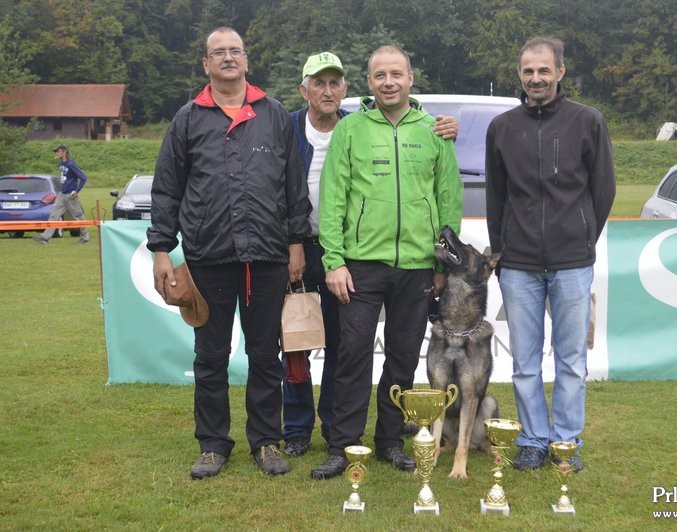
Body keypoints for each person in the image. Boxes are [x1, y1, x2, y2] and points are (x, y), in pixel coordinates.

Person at [146, 26, 311, 480]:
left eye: (234, 51)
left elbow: (293, 186)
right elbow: (167, 190)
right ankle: (213, 444)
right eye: (217, 53)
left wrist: (296, 242)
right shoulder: (187, 119)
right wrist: (162, 249)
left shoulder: (274, 114)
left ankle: (266, 441)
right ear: (205, 64)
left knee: (264, 355)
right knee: (210, 356)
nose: (227, 58)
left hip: (269, 259)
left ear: (246, 59)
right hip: (208, 259)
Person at [282, 51, 459, 457]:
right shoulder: (352, 129)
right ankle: (342, 445)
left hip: (417, 267)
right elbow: (333, 199)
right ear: (368, 81)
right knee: (352, 356)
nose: (389, 81)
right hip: (361, 265)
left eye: (396, 74)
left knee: (401, 360)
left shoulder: (435, 130)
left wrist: (441, 262)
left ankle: (388, 441)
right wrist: (335, 261)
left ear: (411, 78)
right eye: (380, 75)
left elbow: (448, 199)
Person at [485, 37, 616, 472]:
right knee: (524, 363)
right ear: (519, 75)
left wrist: (581, 239)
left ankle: (565, 442)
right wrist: (500, 253)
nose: (536, 78)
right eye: (528, 71)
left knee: (572, 361)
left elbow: (603, 190)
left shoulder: (588, 121)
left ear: (560, 71)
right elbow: (496, 197)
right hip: (518, 265)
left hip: (572, 263)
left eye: (544, 70)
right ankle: (533, 439)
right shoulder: (502, 127)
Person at [32, 145, 90, 244]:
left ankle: (85, 238)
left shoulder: (71, 164)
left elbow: (83, 178)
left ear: (64, 152)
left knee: (78, 216)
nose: (56, 153)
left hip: (70, 196)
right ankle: (45, 237)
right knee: (53, 214)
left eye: (58, 152)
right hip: (61, 195)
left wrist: (76, 191)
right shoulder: (61, 164)